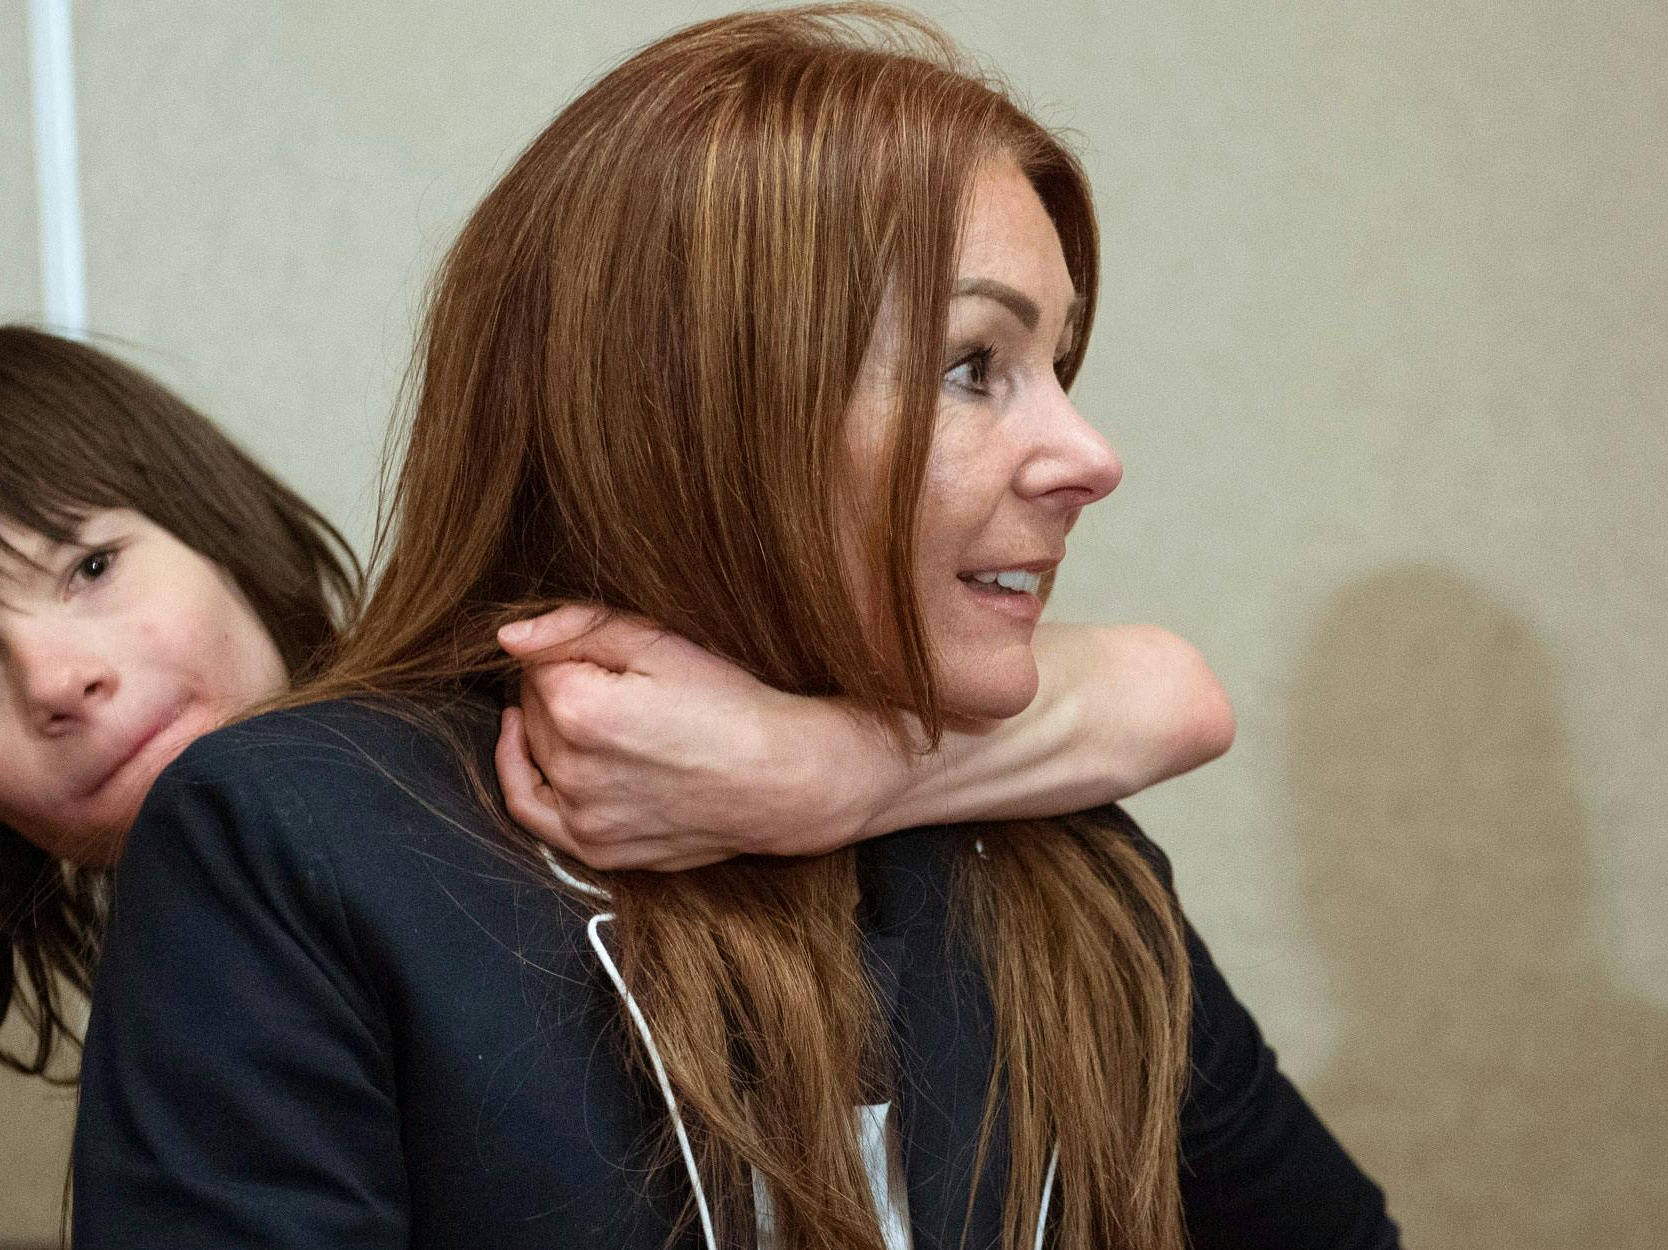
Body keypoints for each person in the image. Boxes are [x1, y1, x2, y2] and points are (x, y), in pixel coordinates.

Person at [72, 6, 1397, 1250]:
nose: (1088, 454)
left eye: (1061, 361)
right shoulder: (295, 843)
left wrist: (832, 770)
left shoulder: (1065, 858)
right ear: (698, 404)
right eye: (972, 365)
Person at [0, 325, 1231, 1079]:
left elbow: (1167, 693)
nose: (59, 679)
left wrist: (833, 763)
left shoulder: (531, 699)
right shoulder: (196, 957)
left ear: (218, 524)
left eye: (86, 564)